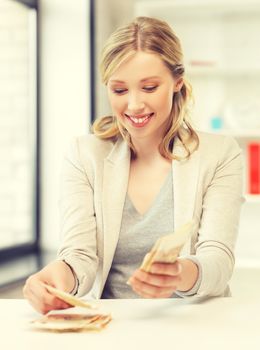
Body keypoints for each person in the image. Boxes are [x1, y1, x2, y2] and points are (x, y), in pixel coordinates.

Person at [23, 16, 244, 314]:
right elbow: (79, 256)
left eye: (149, 87)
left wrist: (179, 274)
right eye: (119, 90)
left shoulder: (220, 154)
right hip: (113, 326)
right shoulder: (84, 155)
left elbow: (218, 260)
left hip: (195, 322)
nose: (134, 105)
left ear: (177, 82)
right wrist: (54, 278)